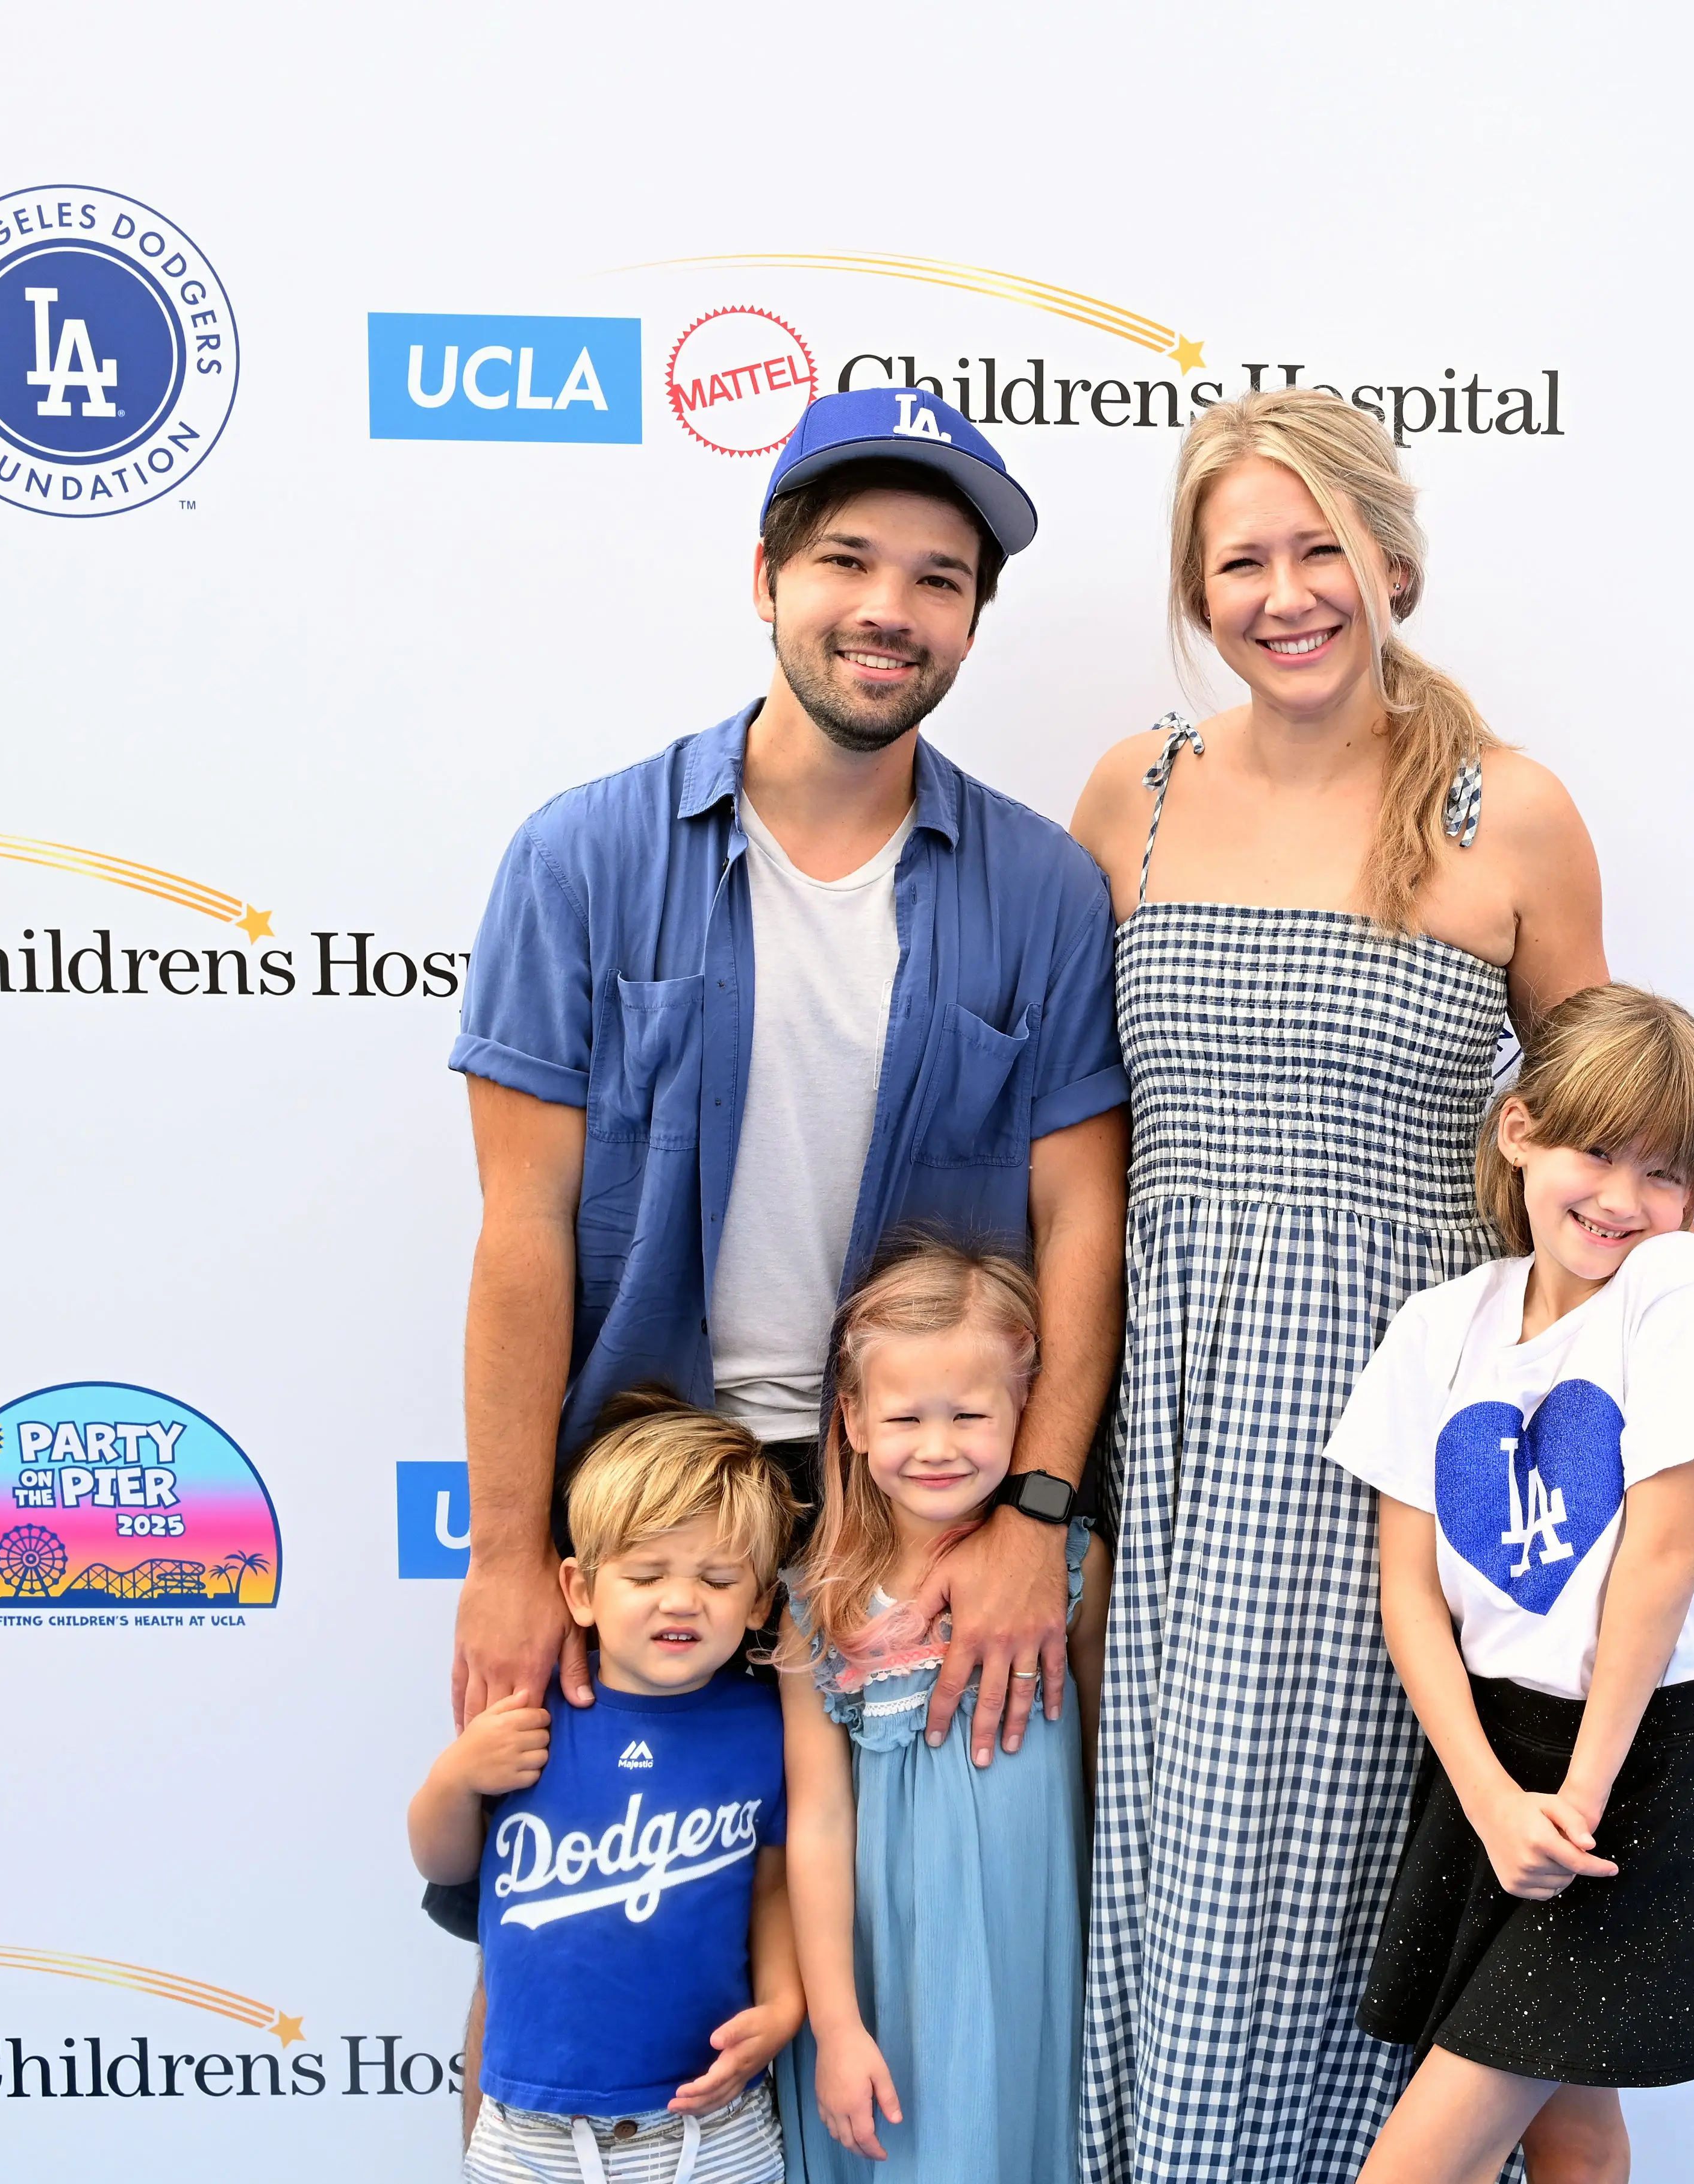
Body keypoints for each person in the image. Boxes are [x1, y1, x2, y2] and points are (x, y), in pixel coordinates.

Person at [1066, 390, 1694, 2184]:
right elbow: (1075, 1156)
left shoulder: (1507, 813)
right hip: (1188, 1441)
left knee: (1441, 1894)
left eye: (1322, 551)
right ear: (1192, 586)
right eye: (1241, 560)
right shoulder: (1128, 796)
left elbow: (1612, 1149)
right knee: (1203, 1866)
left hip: (1456, 1466)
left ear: (1391, 562)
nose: (1285, 592)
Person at [441, 384, 1126, 2118]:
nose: (888, 606)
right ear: (766, 577)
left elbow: (1078, 1219)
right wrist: (514, 1552)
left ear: (974, 617)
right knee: (576, 1929)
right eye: (845, 560)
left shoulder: (1040, 888)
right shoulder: (585, 856)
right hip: (647, 1504)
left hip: (911, 1518)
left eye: (939, 577)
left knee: (872, 1989)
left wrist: (1038, 1506)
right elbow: (521, 1232)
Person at [1330, 986, 1694, 2184]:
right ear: (1520, 1132)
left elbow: (1661, 1551)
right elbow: (1408, 1591)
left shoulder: (1675, 1289)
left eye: (1666, 1174)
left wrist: (1576, 1799)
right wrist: (1491, 1796)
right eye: (1596, 1151)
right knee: (1572, 2135)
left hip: (1634, 1771)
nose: (1625, 1201)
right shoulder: (1441, 1328)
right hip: (1498, 1765)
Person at [408, 1394, 807, 2183]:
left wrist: (783, 2002)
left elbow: (772, 1892)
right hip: (531, 2135)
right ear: (581, 1589)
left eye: (718, 1577)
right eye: (647, 1571)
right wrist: (455, 1779)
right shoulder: (527, 1710)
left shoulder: (767, 1727)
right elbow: (444, 1863)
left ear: (760, 1598)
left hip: (709, 2126)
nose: (681, 1597)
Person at [772, 1238, 1100, 2183]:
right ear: (854, 1418)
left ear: (1024, 1406)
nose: (938, 1443)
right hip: (881, 1974)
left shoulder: (1072, 1571)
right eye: (906, 1414)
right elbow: (821, 1821)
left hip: (1030, 1952)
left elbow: (1104, 1775)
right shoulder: (815, 1603)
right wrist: (835, 2025)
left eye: (970, 1412)